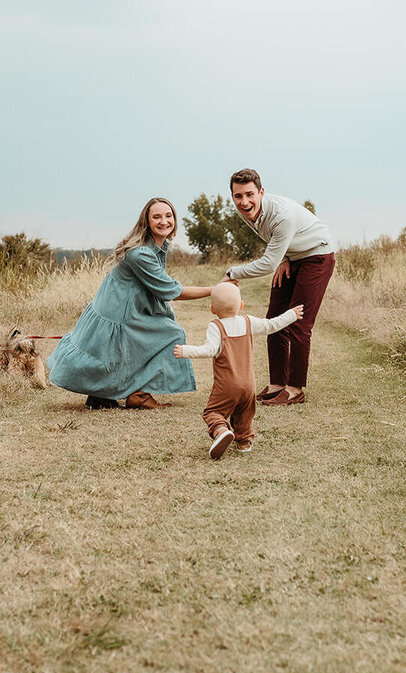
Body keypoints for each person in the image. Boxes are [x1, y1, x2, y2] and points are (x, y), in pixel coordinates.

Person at [48, 197, 212, 409]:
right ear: (147, 221)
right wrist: (214, 290)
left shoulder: (158, 246)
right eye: (157, 217)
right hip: (119, 313)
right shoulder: (140, 253)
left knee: (122, 351)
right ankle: (139, 395)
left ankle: (104, 395)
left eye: (168, 216)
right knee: (172, 334)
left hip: (121, 307)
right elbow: (171, 290)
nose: (164, 221)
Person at [221, 168, 334, 406]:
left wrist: (233, 272)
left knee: (298, 322)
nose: (244, 201)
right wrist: (285, 259)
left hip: (317, 256)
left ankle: (294, 390)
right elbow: (275, 245)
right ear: (232, 196)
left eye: (250, 194)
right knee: (274, 320)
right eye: (238, 196)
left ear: (261, 192)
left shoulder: (282, 215)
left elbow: (267, 263)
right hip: (292, 258)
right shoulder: (246, 211)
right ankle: (276, 385)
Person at [174, 282, 303, 459]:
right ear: (241, 305)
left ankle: (221, 431)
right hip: (249, 385)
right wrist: (291, 315)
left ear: (212, 309)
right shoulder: (248, 322)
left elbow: (210, 350)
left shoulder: (216, 326)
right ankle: (244, 443)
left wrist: (186, 350)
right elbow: (272, 325)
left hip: (226, 385)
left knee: (213, 412)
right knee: (244, 414)